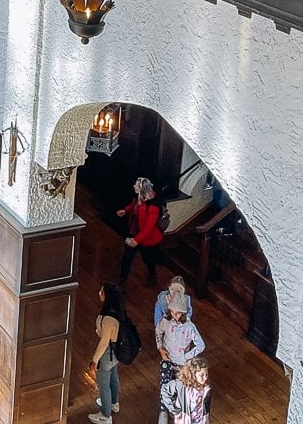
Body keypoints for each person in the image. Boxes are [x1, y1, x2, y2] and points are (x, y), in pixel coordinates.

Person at [156, 294, 206, 424]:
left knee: (181, 391)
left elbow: (201, 345)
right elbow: (158, 331)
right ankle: (163, 414)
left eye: (177, 313)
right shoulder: (165, 321)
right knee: (164, 387)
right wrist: (160, 347)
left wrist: (186, 356)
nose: (174, 315)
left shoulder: (189, 327)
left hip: (182, 365)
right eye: (172, 312)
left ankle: (177, 414)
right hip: (167, 361)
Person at [87, 282, 125, 424]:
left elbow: (104, 342)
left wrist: (95, 359)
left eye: (101, 291)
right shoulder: (117, 311)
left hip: (108, 352)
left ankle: (105, 415)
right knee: (113, 377)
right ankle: (114, 403)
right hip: (116, 350)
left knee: (103, 384)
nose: (99, 293)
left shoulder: (108, 319)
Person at [116, 176, 162, 284]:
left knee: (148, 259)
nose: (134, 186)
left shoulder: (153, 207)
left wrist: (136, 240)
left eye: (136, 185)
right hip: (135, 232)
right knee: (127, 257)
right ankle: (122, 281)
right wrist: (125, 210)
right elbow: (134, 205)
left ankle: (152, 274)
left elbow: (149, 228)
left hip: (148, 239)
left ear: (142, 188)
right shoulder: (139, 197)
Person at [161, 356, 211, 424]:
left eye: (206, 374)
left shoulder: (206, 388)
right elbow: (165, 390)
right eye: (201, 375)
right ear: (192, 375)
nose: (205, 378)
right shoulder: (181, 384)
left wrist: (206, 419)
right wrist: (174, 409)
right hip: (184, 420)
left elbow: (206, 407)